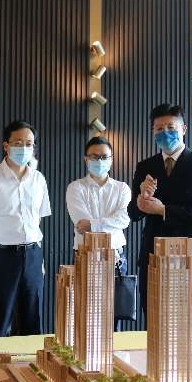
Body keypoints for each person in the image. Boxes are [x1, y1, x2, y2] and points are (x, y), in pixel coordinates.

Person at [127, 103, 192, 331]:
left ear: (183, 129)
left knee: (189, 320)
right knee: (154, 317)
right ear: (153, 132)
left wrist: (163, 210)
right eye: (159, 128)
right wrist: (141, 199)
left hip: (189, 254)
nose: (165, 132)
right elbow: (133, 213)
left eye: (170, 127)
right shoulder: (145, 166)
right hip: (153, 251)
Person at [0, 120, 51, 337]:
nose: (24, 148)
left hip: (33, 255)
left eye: (29, 143)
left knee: (32, 320)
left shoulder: (38, 179)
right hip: (0, 256)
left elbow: (37, 219)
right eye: (18, 143)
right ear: (5, 146)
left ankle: (30, 359)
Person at [66, 136, 131, 329]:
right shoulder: (75, 187)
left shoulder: (122, 188)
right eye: (94, 157)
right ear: (86, 159)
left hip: (116, 258)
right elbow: (80, 222)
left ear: (111, 159)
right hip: (85, 256)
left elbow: (124, 219)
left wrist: (92, 225)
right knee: (86, 316)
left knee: (114, 317)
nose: (99, 161)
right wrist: (108, 224)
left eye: (104, 157)